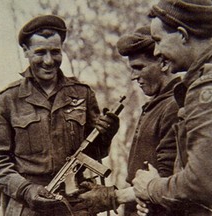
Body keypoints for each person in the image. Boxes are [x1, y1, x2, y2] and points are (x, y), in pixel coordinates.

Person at [0, 15, 119, 216]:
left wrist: (107, 134)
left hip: (76, 206)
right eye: (40, 52)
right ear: (26, 52)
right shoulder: (8, 100)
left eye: (55, 52)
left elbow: (92, 153)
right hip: (27, 207)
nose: (48, 61)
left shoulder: (82, 94)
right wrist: (26, 190)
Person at [132, 0, 212, 215]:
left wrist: (151, 187)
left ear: (182, 35)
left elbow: (200, 184)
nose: (156, 51)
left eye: (158, 40)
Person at [77, 26, 180, 216]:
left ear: (164, 62)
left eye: (139, 67)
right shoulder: (157, 104)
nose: (134, 76)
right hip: (141, 207)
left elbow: (168, 179)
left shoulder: (174, 106)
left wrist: (112, 198)